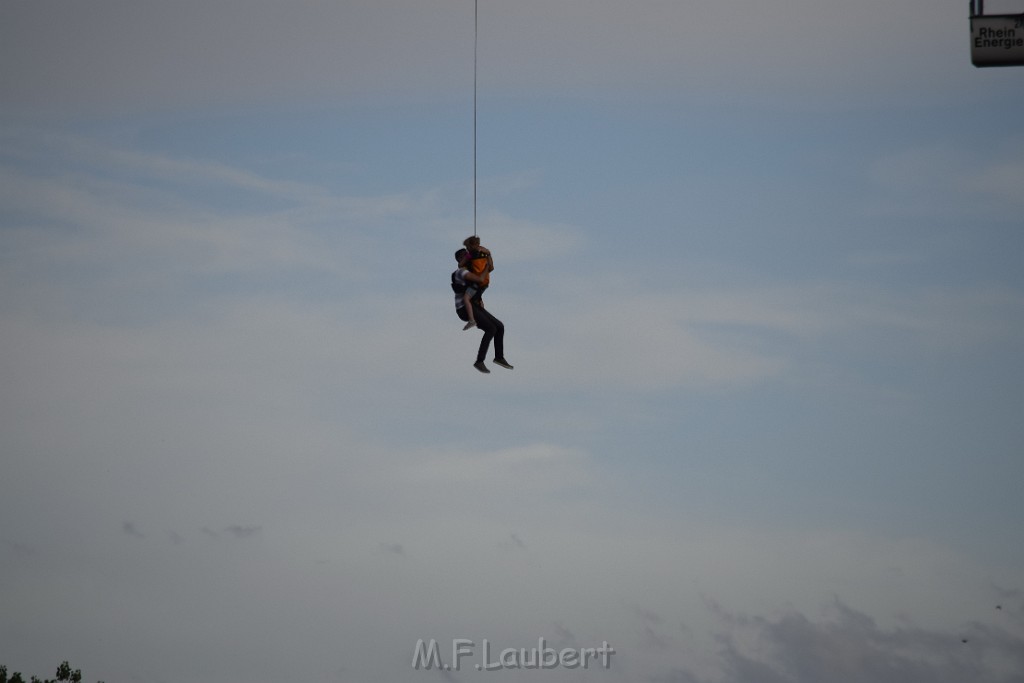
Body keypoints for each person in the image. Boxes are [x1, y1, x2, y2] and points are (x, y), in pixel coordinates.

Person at [452, 248, 513, 373]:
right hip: (464, 308)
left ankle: (499, 357)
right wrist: (484, 267)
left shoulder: (471, 270)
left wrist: (488, 255)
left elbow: (490, 268)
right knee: (491, 328)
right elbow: (480, 279)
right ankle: (479, 361)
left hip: (474, 305)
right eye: (465, 256)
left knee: (499, 326)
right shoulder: (460, 272)